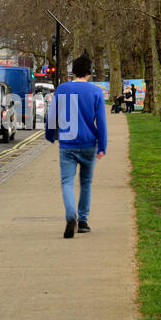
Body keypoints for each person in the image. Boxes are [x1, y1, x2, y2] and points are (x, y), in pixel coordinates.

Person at [45, 53, 107, 239]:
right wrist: (102, 146)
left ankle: (70, 215)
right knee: (86, 183)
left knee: (67, 182)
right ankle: (83, 221)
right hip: (89, 143)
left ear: (73, 71)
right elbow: (101, 122)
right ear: (89, 73)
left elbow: (52, 116)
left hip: (68, 143)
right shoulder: (96, 92)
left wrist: (50, 136)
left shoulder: (62, 89)